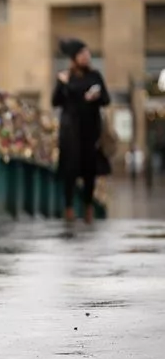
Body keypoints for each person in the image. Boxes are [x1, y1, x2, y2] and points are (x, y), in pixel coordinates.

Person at [52, 38, 111, 224]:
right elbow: (55, 101)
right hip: (70, 133)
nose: (86, 57)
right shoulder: (66, 76)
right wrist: (63, 85)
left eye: (87, 53)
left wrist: (95, 96)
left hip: (90, 130)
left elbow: (106, 99)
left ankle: (88, 208)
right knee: (70, 170)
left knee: (89, 171)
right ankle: (68, 209)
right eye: (82, 54)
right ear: (74, 58)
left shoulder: (95, 76)